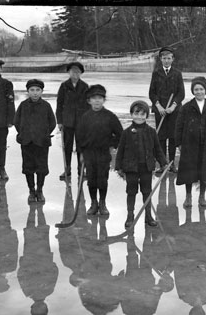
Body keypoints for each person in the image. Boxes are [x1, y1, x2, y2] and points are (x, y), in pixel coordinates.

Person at [115, 100, 168, 228]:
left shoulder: (151, 131)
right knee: (131, 192)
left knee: (147, 192)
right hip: (131, 168)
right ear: (131, 114)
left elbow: (157, 149)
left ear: (147, 116)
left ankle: (148, 216)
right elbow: (120, 150)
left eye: (142, 114)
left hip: (146, 167)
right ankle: (130, 216)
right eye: (136, 113)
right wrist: (119, 167)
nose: (139, 117)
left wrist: (163, 163)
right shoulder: (126, 132)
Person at [77, 84, 123, 216]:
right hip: (89, 154)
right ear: (89, 100)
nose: (97, 100)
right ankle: (93, 203)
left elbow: (120, 134)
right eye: (94, 98)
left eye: (100, 98)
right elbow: (79, 136)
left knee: (102, 179)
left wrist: (111, 144)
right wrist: (81, 153)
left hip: (103, 153)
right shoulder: (85, 117)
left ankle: (102, 203)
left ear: (104, 100)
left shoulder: (110, 116)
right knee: (91, 179)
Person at [175, 76, 206, 208]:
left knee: (204, 171)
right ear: (192, 91)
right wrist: (179, 143)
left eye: (201, 89)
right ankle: (188, 196)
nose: (199, 92)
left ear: (205, 90)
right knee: (189, 171)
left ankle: (202, 196)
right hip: (189, 144)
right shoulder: (186, 107)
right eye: (196, 89)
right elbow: (179, 126)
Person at [14, 79, 57, 203]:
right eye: (32, 90)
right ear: (27, 91)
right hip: (26, 142)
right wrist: (23, 133)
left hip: (42, 142)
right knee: (28, 167)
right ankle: (31, 191)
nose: (35, 93)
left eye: (38, 90)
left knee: (41, 168)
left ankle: (40, 190)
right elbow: (17, 121)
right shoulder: (23, 105)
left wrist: (44, 134)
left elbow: (52, 122)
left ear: (42, 91)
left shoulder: (46, 106)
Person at [149, 46, 185, 173]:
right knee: (161, 138)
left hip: (173, 111)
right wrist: (158, 106)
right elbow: (151, 93)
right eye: (164, 58)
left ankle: (171, 164)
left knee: (173, 138)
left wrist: (173, 106)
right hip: (160, 111)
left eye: (169, 58)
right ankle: (162, 164)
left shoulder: (177, 74)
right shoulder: (156, 73)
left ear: (173, 59)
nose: (166, 61)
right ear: (161, 59)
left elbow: (181, 93)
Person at [56, 61, 90, 180]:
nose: (75, 74)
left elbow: (88, 105)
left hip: (81, 122)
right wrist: (59, 121)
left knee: (81, 146)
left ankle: (81, 170)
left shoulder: (85, 86)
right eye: (72, 71)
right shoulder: (64, 86)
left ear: (81, 73)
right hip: (67, 122)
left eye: (77, 72)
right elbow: (59, 104)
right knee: (67, 147)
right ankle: (67, 169)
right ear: (69, 72)